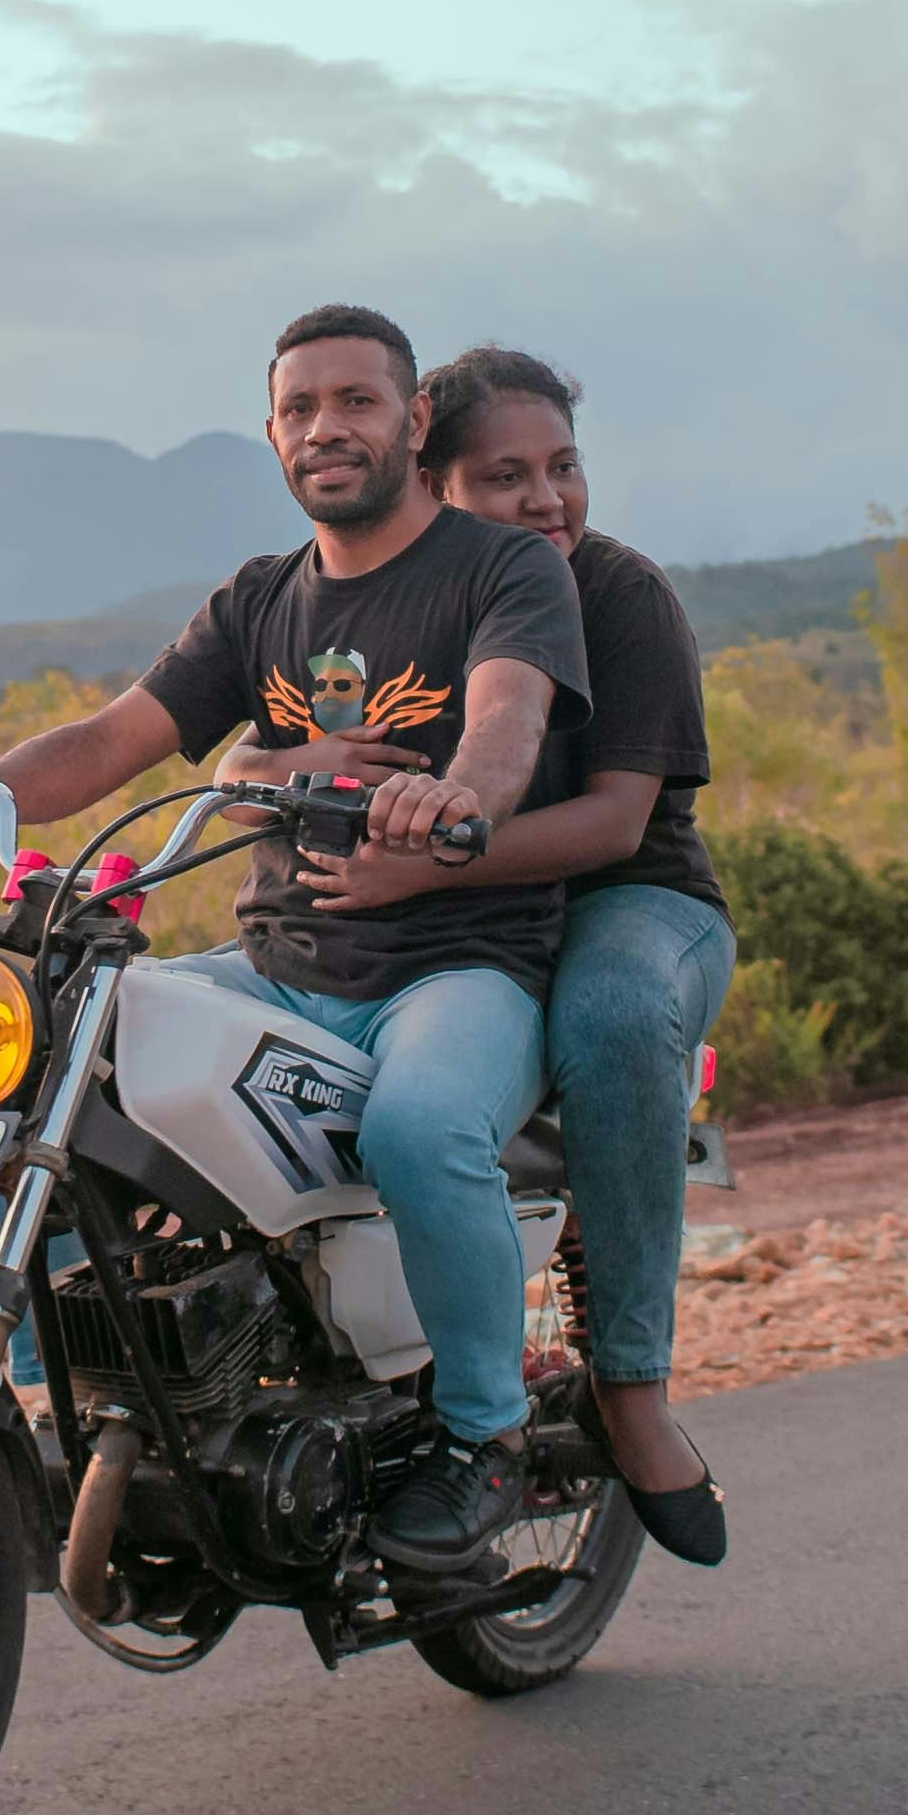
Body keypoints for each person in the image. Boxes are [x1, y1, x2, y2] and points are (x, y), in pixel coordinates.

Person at [0, 302, 585, 1588]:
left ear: (414, 421)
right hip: (280, 966)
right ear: (273, 434)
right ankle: (79, 1394)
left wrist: (457, 796)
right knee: (22, 1063)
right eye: (300, 408)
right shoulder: (260, 599)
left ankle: (485, 1437)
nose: (326, 427)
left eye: (356, 401)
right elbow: (110, 740)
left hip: (460, 968)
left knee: (419, 1129)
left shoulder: (503, 571)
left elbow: (507, 723)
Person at [372, 342, 736, 1564]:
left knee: (610, 1016)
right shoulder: (402, 598)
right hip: (468, 919)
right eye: (507, 476)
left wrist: (428, 866)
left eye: (563, 467)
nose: (548, 499)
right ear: (432, 486)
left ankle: (632, 1391)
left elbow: (618, 823)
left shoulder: (620, 594)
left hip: (632, 903)